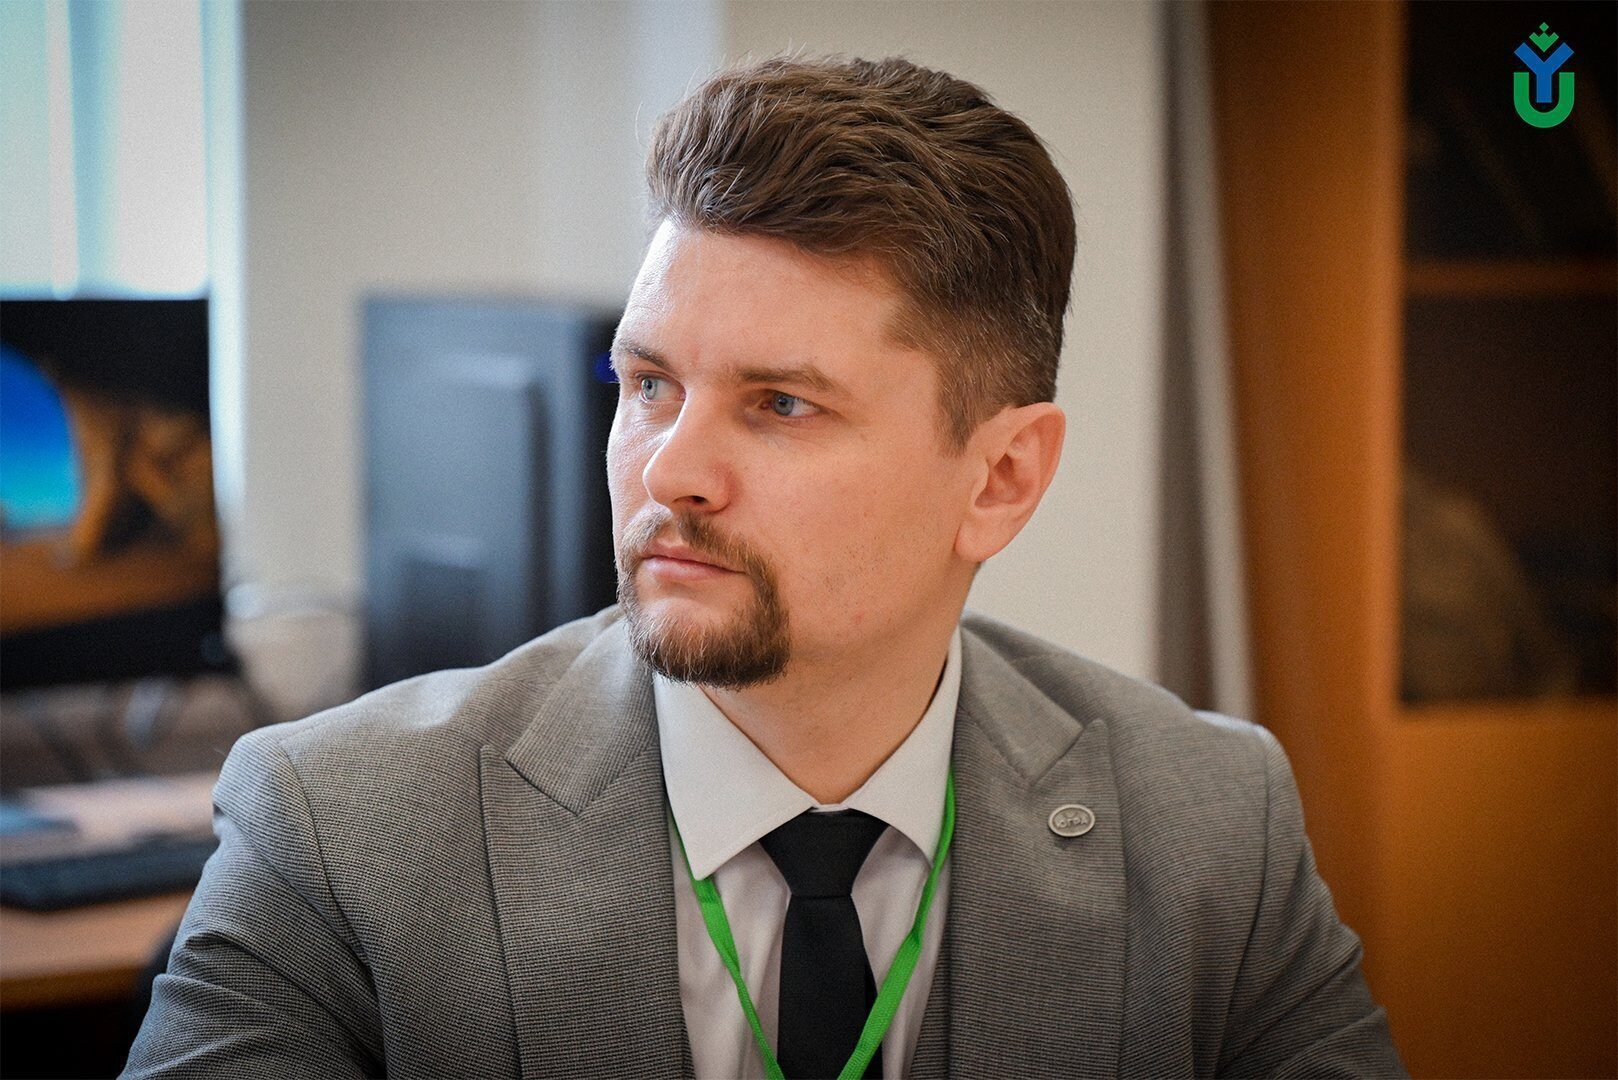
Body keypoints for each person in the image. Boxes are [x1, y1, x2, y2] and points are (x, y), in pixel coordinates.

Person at [124, 55, 1406, 1079]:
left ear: (1000, 479)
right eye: (648, 384)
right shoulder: (337, 835)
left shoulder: (1209, 829)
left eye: (781, 404)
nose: (669, 471)